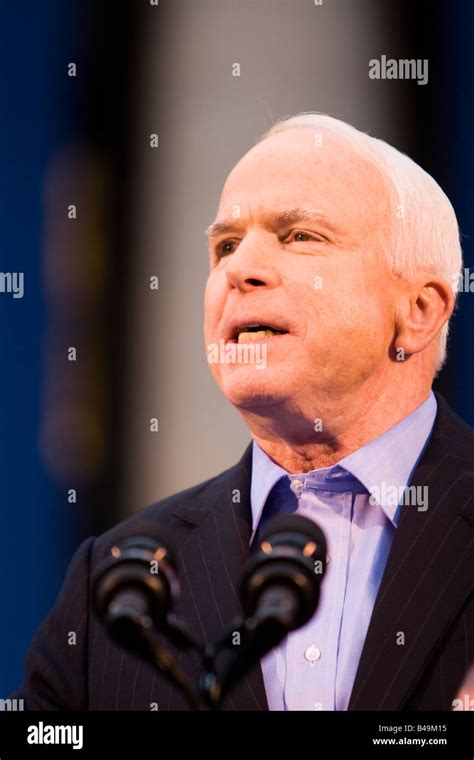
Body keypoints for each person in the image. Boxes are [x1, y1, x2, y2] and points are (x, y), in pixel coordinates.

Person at [12, 113, 473, 710]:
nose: (239, 270)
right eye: (226, 245)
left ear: (417, 309)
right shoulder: (117, 583)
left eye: (301, 236)